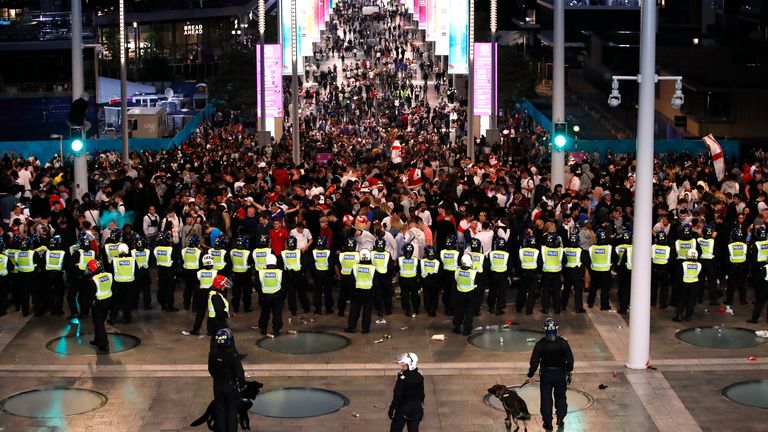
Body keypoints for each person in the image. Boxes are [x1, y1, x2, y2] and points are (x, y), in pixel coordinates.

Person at [527, 318, 574, 431]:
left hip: (546, 375)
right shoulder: (563, 343)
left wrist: (530, 374)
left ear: (545, 330)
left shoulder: (540, 344)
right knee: (561, 397)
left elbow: (534, 362)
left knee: (546, 400)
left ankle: (548, 423)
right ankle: (560, 418)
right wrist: (569, 370)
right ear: (557, 329)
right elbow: (570, 359)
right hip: (560, 375)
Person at [208, 328, 245, 432]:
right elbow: (239, 372)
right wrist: (241, 384)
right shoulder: (232, 355)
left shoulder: (212, 354)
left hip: (218, 386)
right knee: (232, 411)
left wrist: (217, 379)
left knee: (220, 411)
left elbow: (211, 370)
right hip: (230, 386)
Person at [388, 352, 425, 432]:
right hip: (417, 410)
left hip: (403, 409)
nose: (402, 366)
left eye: (404, 365)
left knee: (395, 429)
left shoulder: (402, 379)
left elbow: (397, 395)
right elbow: (422, 394)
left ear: (410, 365)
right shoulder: (420, 376)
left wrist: (392, 408)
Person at [183, 254, 217, 337]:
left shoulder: (198, 273)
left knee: (200, 313)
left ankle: (196, 329)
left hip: (202, 294)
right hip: (212, 294)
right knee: (211, 313)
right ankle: (210, 331)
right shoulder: (216, 272)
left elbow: (196, 285)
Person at [346, 248, 375, 333]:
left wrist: (351, 293)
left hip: (357, 292)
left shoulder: (355, 267)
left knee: (354, 310)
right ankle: (365, 329)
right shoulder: (372, 268)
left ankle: (351, 327)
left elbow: (351, 282)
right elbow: (376, 283)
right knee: (367, 311)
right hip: (368, 292)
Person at [280, 235, 310, 316]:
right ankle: (306, 307)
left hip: (288, 275)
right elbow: (304, 264)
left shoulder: (283, 253)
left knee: (291, 294)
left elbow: (281, 266)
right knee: (301, 293)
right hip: (298, 275)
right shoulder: (299, 252)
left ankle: (293, 310)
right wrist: (302, 272)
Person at [87, 259, 112, 352]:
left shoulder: (93, 279)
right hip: (108, 302)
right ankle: (97, 340)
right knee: (98, 323)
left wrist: (91, 304)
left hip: (99, 303)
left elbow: (91, 295)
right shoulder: (108, 275)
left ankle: (104, 344)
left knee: (99, 324)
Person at [256, 254, 284, 336]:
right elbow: (285, 285)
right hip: (277, 297)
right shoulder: (280, 272)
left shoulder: (260, 272)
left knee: (264, 314)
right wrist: (282, 295)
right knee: (277, 314)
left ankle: (263, 329)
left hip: (265, 297)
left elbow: (257, 285)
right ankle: (276, 330)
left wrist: (261, 294)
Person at [586, 229, 614, 310]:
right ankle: (604, 305)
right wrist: (611, 265)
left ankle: (590, 303)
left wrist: (591, 269)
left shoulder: (592, 248)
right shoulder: (609, 248)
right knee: (605, 289)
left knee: (593, 287)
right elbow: (615, 258)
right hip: (606, 271)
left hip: (594, 271)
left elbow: (588, 261)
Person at [452, 254, 479, 336]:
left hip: (459, 294)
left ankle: (457, 327)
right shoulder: (474, 273)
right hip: (470, 294)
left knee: (459, 311)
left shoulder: (457, 270)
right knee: (469, 312)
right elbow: (477, 284)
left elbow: (455, 280)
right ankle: (467, 329)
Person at [153, 231, 179, 312]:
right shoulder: (170, 249)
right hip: (169, 272)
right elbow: (175, 260)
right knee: (170, 290)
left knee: (162, 289)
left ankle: (163, 305)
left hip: (161, 271)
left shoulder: (156, 249)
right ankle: (170, 306)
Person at [561, 232, 586, 313]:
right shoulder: (580, 250)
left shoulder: (565, 250)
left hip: (567, 272)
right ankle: (578, 308)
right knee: (578, 291)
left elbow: (562, 261)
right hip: (577, 273)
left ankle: (563, 306)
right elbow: (584, 262)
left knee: (566, 290)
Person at [540, 232, 564, 315]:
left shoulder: (543, 249)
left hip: (546, 273)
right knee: (556, 292)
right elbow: (564, 261)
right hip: (557, 273)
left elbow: (540, 261)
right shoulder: (560, 250)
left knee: (546, 291)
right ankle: (557, 309)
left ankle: (545, 309)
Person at [44, 235, 68, 315]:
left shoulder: (46, 252)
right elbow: (65, 264)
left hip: (48, 275)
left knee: (50, 292)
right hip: (58, 275)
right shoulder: (62, 253)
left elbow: (43, 263)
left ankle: (52, 309)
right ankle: (59, 310)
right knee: (59, 293)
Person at [675, 250, 701, 322]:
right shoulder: (699, 265)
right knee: (690, 301)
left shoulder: (683, 264)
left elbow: (678, 275)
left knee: (681, 300)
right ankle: (688, 316)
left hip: (683, 284)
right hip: (694, 284)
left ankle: (679, 315)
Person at [229, 235, 253, 314]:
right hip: (246, 275)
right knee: (246, 293)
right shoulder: (247, 253)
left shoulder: (232, 252)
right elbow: (250, 263)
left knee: (236, 292)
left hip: (235, 274)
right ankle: (246, 308)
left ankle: (236, 307)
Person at [697, 225, 719, 305]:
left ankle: (699, 299)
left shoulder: (698, 240)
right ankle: (713, 300)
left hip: (700, 262)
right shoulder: (713, 241)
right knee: (712, 282)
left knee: (700, 282)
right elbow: (717, 254)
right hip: (710, 263)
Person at [518, 235, 540, 315]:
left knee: (522, 291)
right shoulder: (536, 251)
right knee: (532, 293)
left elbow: (518, 262)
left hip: (523, 273)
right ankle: (529, 310)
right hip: (533, 273)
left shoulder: (521, 251)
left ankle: (519, 308)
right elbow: (539, 263)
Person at [312, 236, 334, 314]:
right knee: (328, 291)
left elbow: (312, 264)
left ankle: (318, 309)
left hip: (317, 273)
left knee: (317, 292)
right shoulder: (328, 252)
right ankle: (328, 309)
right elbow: (331, 265)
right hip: (327, 273)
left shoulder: (314, 252)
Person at [487, 237, 510, 315]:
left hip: (493, 275)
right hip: (503, 275)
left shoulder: (491, 253)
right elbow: (510, 266)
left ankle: (491, 307)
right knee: (502, 293)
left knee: (492, 291)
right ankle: (499, 309)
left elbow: (488, 264)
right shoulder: (507, 254)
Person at [337, 237, 360, 316]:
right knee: (353, 296)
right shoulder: (357, 254)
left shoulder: (342, 255)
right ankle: (353, 312)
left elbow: (339, 265)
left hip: (344, 277)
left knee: (342, 295)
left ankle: (341, 311)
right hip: (353, 277)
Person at [726, 227, 748, 305]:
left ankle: (729, 300)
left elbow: (727, 258)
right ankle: (743, 300)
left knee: (731, 284)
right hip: (742, 267)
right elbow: (746, 256)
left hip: (732, 267)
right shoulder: (744, 245)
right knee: (742, 284)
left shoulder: (730, 245)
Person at [439, 235, 459, 316]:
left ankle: (447, 308)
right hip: (454, 275)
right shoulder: (457, 253)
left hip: (445, 274)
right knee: (453, 293)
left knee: (446, 292)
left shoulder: (442, 252)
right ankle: (451, 309)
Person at [373, 237, 394, 316]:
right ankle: (388, 310)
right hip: (386, 277)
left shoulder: (372, 253)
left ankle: (380, 311)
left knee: (378, 294)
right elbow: (391, 267)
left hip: (376, 277)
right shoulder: (387, 254)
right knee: (387, 294)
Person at [182, 234, 203, 311]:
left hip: (186, 272)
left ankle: (186, 305)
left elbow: (182, 261)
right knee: (196, 290)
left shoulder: (184, 250)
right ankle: (195, 307)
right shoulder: (199, 251)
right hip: (195, 272)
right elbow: (201, 264)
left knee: (187, 289)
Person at [651, 231, 672, 308]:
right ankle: (662, 303)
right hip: (664, 269)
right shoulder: (668, 248)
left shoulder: (653, 247)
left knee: (654, 287)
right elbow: (670, 260)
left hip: (655, 268)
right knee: (664, 288)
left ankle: (652, 302)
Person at [615, 230, 633, 315]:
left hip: (625, 271)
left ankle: (623, 307)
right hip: (638, 274)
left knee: (624, 289)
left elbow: (620, 261)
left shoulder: (620, 247)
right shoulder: (639, 248)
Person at [418, 245, 439, 316]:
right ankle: (432, 309)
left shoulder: (422, 261)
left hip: (427, 281)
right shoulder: (437, 262)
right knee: (433, 296)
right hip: (433, 281)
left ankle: (429, 309)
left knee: (427, 296)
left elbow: (419, 272)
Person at [131, 236, 152, 310]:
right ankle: (147, 305)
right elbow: (151, 262)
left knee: (135, 291)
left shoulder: (132, 252)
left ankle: (134, 306)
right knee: (146, 290)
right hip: (145, 273)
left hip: (136, 273)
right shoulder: (148, 251)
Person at [0, 238, 15, 316]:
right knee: (3, 294)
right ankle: (2, 310)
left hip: (3, 278)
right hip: (3, 279)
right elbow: (11, 268)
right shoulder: (5, 257)